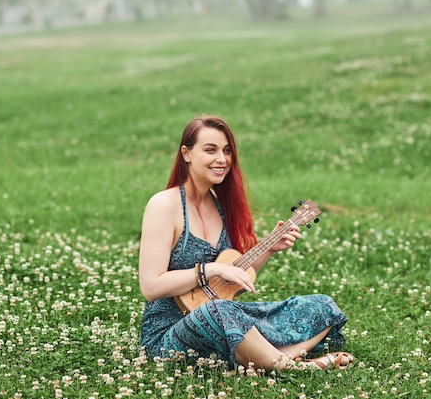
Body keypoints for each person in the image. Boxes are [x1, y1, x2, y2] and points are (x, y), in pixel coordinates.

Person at [138, 115, 352, 370]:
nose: (222, 159)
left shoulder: (220, 205)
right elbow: (150, 286)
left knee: (320, 306)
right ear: (186, 153)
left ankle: (273, 356)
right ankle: (289, 365)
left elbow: (230, 282)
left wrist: (269, 249)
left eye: (227, 151)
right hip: (171, 332)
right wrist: (210, 269)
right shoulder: (164, 205)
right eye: (210, 150)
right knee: (219, 312)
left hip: (223, 315)